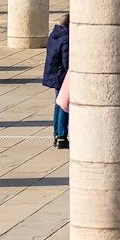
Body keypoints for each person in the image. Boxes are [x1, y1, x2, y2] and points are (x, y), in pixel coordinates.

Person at [43, 14, 70, 149]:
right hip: (62, 75)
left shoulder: (54, 35)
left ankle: (56, 133)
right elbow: (66, 60)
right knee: (64, 105)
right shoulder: (66, 38)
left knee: (58, 103)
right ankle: (61, 135)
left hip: (53, 73)